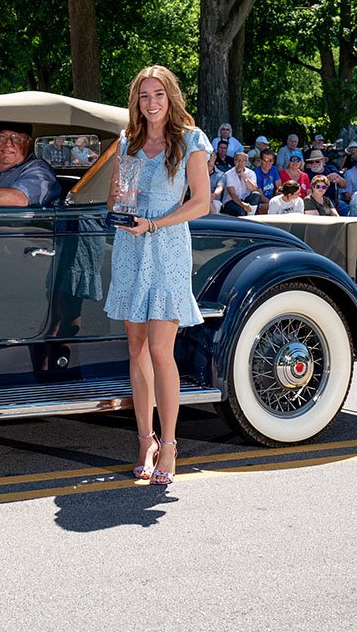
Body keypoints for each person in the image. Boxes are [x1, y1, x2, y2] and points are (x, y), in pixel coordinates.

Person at [103, 66, 212, 486]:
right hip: (131, 247)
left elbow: (201, 202)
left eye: (158, 95)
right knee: (136, 346)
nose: (151, 104)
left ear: (171, 98)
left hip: (165, 247)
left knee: (161, 350)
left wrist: (154, 224)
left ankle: (169, 443)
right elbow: (116, 194)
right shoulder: (127, 142)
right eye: (144, 96)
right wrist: (121, 206)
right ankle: (144, 440)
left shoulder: (191, 140)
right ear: (136, 101)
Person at [218, 151, 262, 216]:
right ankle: (248, 216)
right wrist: (243, 205)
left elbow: (254, 189)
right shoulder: (228, 174)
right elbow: (233, 195)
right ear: (234, 161)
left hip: (245, 199)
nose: (240, 163)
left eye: (243, 161)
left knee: (256, 195)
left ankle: (250, 216)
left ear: (246, 162)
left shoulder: (251, 173)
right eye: (238, 160)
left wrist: (244, 176)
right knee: (241, 211)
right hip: (231, 201)